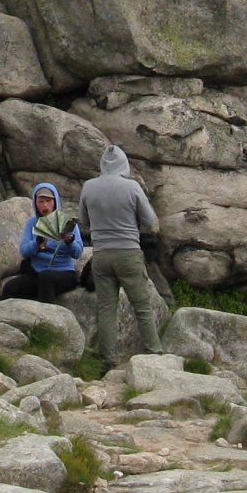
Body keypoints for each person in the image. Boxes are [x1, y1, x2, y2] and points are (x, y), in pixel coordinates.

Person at [78, 144, 163, 371]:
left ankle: (109, 361)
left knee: (106, 308)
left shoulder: (88, 187)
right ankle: (154, 353)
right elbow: (151, 222)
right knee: (142, 306)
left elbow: (84, 223)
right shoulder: (132, 187)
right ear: (124, 164)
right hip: (128, 253)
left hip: (101, 255)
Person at [1, 182, 84, 302]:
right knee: (10, 287)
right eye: (41, 201)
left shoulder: (66, 222)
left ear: (55, 202)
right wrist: (36, 242)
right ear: (35, 203)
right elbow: (24, 251)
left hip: (63, 272)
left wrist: (70, 241)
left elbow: (77, 253)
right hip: (38, 272)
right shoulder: (32, 223)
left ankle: (46, 318)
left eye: (49, 201)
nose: (45, 205)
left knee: (47, 277)